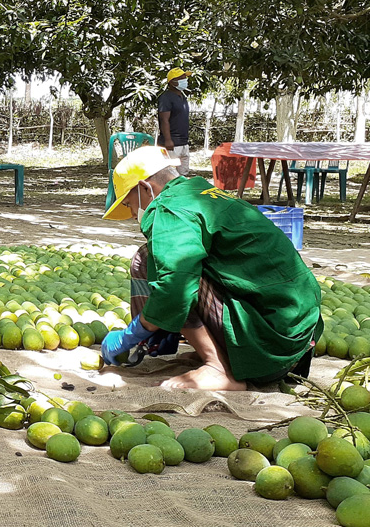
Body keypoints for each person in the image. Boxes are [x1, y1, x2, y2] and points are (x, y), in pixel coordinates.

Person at [100, 146, 323, 391]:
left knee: (148, 260)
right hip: (298, 336)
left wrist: (134, 333)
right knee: (172, 263)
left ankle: (218, 367)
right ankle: (222, 353)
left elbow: (175, 286)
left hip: (272, 341)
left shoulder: (168, 207)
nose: (133, 214)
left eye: (130, 204)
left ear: (145, 188)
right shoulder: (202, 192)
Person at [158, 68, 191, 175]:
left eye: (185, 78)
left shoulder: (182, 97)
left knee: (183, 174)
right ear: (172, 82)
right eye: (181, 78)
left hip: (183, 143)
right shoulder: (166, 97)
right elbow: (164, 119)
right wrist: (168, 140)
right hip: (172, 144)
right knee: (170, 174)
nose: (185, 80)